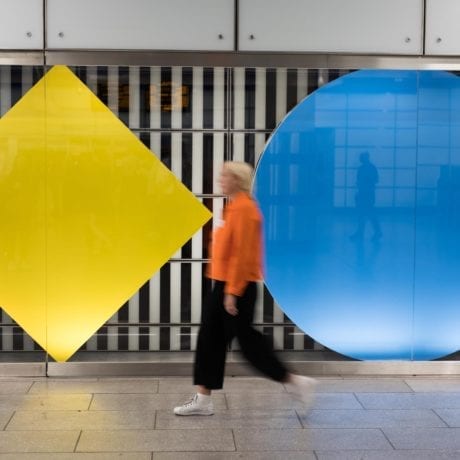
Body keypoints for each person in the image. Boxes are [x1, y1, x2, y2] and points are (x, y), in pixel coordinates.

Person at [174, 161, 317, 416]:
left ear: (238, 180)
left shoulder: (245, 210)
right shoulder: (234, 208)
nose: (220, 179)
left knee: (248, 345)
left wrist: (232, 291)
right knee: (210, 340)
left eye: (225, 176)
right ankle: (203, 399)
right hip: (225, 283)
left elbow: (242, 255)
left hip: (235, 287)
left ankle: (295, 381)